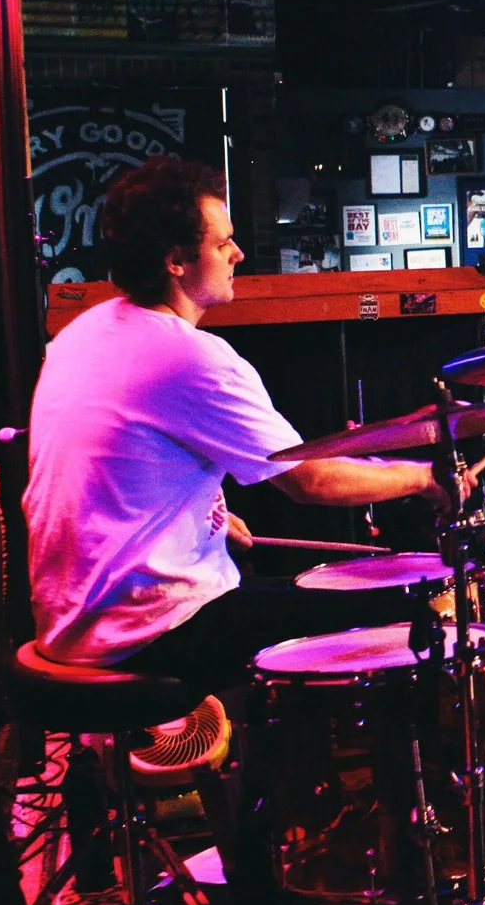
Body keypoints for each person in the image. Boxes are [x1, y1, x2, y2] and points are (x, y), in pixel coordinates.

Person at [25, 157, 449, 692]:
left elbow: (110, 478)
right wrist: (426, 478)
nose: (238, 254)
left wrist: (209, 520)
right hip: (145, 629)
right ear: (177, 260)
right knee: (405, 617)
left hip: (70, 618)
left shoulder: (82, 334)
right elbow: (310, 480)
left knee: (296, 595)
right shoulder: (189, 357)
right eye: (223, 242)